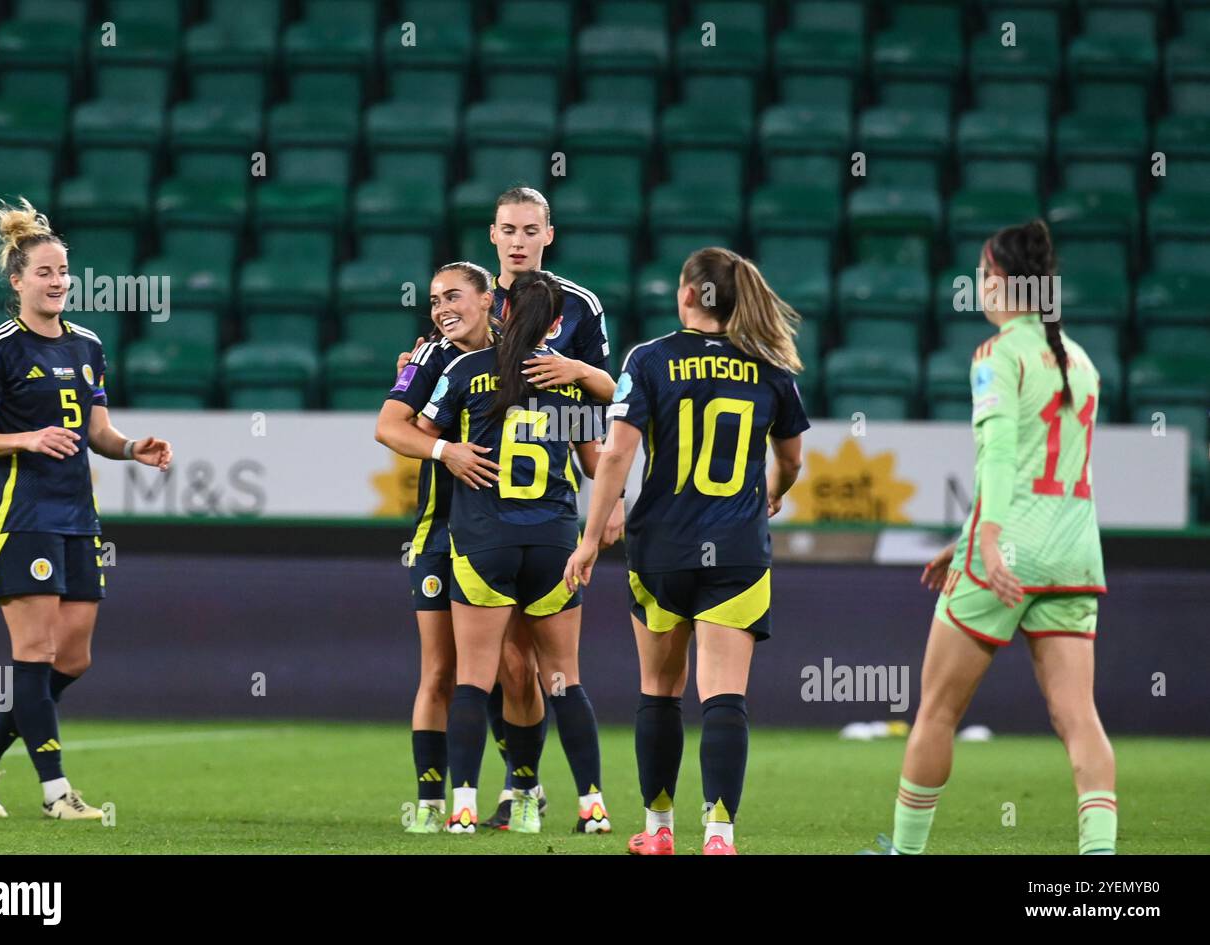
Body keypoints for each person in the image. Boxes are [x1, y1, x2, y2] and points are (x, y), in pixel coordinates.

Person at [865, 220, 1114, 855]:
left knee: (938, 711)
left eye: (981, 273)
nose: (977, 284)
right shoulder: (1080, 361)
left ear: (1000, 281)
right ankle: (1101, 868)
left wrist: (989, 541)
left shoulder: (996, 355)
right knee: (1078, 718)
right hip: (1074, 554)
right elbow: (1044, 466)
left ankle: (906, 852)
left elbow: (1002, 457)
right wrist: (968, 533)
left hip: (1007, 555)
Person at [566, 247, 809, 855]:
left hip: (662, 549)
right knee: (724, 695)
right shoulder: (771, 367)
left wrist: (591, 538)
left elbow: (617, 454)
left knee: (659, 690)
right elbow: (793, 459)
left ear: (686, 295)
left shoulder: (647, 359)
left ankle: (658, 831)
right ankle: (720, 836)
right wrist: (771, 495)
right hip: (737, 549)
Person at [398, 186, 621, 829]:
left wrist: (574, 370)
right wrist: (439, 432)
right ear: (492, 236)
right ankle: (550, 795)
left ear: (548, 234)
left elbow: (610, 395)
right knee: (510, 667)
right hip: (485, 516)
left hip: (505, 521)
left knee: (510, 667)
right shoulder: (465, 308)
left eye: (530, 229)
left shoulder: (575, 308)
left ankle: (498, 793)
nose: (518, 239)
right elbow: (402, 412)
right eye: (507, 229)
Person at [0, 198, 172, 820]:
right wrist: (26, 438)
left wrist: (132, 448)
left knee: (74, 656)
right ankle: (55, 794)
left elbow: (97, 431)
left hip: (78, 515)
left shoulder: (89, 346)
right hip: (20, 514)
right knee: (36, 652)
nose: (57, 282)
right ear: (17, 281)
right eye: (44, 272)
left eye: (63, 272)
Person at [374, 261, 501, 833]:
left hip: (509, 530)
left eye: (454, 296)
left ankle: (525, 787)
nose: (442, 308)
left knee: (516, 669)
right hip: (442, 530)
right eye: (433, 300)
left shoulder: (521, 354)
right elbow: (389, 427)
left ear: (487, 298)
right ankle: (429, 800)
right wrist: (445, 452)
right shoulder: (429, 357)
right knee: (440, 671)